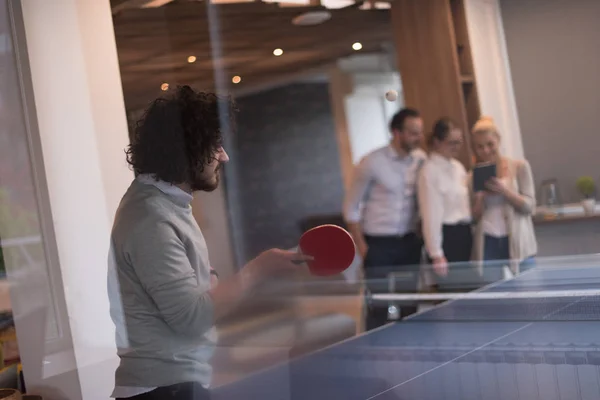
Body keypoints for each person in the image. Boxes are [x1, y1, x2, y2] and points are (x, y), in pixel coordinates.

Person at [107, 86, 311, 400]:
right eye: (215, 144)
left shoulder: (165, 204)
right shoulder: (151, 217)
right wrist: (260, 268)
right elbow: (193, 319)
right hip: (164, 390)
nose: (223, 155)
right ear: (187, 148)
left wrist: (210, 280)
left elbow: (198, 289)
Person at [343, 108, 426, 330]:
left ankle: (412, 351)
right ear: (396, 132)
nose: (419, 138)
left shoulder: (421, 160)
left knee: (409, 303)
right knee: (378, 305)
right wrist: (363, 248)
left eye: (420, 132)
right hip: (378, 243)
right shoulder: (371, 162)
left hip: (409, 241)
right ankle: (376, 353)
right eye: (413, 133)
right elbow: (351, 208)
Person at [469, 116, 537, 281]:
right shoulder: (473, 176)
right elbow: (474, 218)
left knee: (530, 295)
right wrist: (479, 198)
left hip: (518, 241)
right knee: (494, 298)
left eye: (490, 144)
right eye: (479, 147)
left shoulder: (519, 167)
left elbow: (530, 207)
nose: (485, 150)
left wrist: (505, 191)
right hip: (488, 240)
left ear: (498, 140)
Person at [418, 118, 472, 280]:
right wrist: (436, 253)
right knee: (451, 292)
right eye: (451, 143)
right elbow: (431, 214)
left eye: (459, 142)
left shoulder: (458, 167)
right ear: (437, 142)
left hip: (464, 233)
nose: (456, 147)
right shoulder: (429, 171)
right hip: (446, 237)